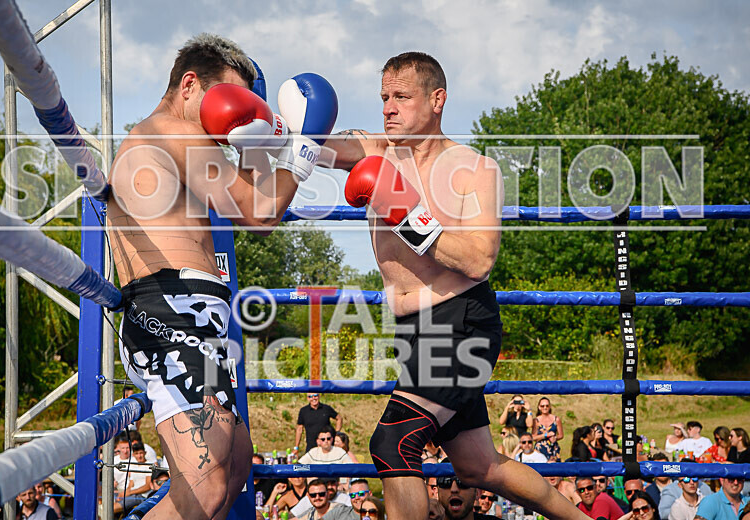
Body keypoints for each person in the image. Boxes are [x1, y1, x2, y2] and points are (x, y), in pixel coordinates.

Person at [328, 51, 589, 520]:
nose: (388, 107)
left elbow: (480, 258)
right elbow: (327, 145)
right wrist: (277, 132)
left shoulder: (475, 168)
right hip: (411, 329)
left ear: (437, 99)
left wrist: (410, 218)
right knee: (478, 466)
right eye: (384, 96)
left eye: (402, 97)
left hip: (462, 320)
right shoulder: (376, 152)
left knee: (393, 441)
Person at [108, 33, 337, 520]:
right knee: (206, 487)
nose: (229, 114)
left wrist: (254, 135)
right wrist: (303, 147)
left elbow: (246, 209)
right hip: (170, 312)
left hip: (197, 316)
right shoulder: (172, 131)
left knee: (233, 472)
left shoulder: (180, 141)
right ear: (190, 85)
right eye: (227, 99)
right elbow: (260, 213)